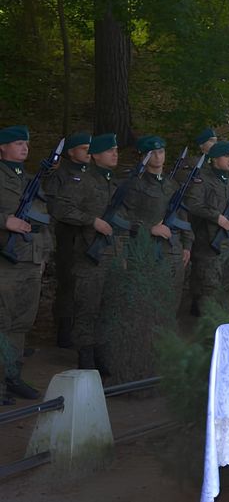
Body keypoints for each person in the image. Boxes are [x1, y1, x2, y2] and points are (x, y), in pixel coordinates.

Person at [51, 133, 120, 372]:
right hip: (88, 256)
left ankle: (103, 356)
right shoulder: (83, 180)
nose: (115, 154)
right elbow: (61, 208)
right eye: (109, 150)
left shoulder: (114, 182)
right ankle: (86, 358)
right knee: (87, 308)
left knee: (107, 308)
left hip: (112, 255)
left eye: (116, 150)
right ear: (95, 156)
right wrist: (91, 221)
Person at [0, 125, 52, 403]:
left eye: (27, 144)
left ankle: (12, 376)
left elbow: (44, 223)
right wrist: (4, 220)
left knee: (21, 323)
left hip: (30, 261)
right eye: (18, 143)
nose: (24, 148)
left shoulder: (30, 179)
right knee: (2, 322)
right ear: (3, 147)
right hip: (5, 263)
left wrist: (43, 256)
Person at [121, 135, 189, 313]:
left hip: (173, 250)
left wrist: (187, 245)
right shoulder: (135, 185)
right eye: (153, 153)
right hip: (146, 250)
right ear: (143, 156)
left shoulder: (171, 184)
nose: (158, 157)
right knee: (146, 304)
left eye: (161, 152)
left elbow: (182, 216)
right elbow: (122, 218)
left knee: (171, 303)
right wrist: (149, 228)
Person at [43, 131, 92, 349]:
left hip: (90, 238)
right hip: (67, 237)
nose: (89, 152)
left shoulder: (93, 174)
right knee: (68, 283)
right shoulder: (59, 175)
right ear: (71, 152)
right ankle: (64, 329)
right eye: (84, 148)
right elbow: (54, 207)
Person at [184, 141, 229, 316]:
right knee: (206, 291)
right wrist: (217, 217)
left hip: (226, 245)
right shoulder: (202, 180)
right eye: (227, 156)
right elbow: (192, 204)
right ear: (215, 159)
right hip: (207, 246)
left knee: (224, 291)